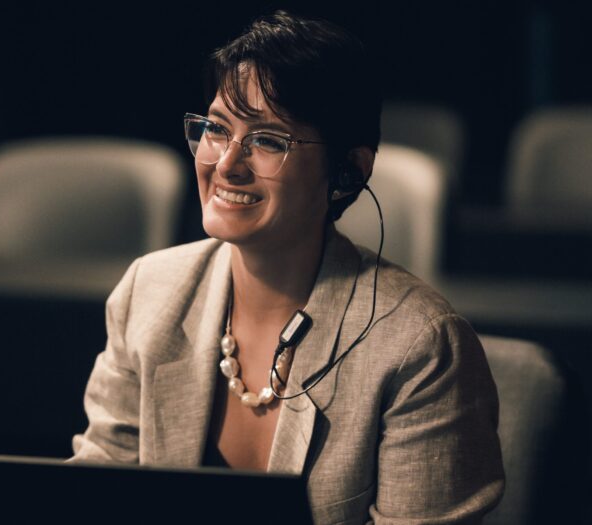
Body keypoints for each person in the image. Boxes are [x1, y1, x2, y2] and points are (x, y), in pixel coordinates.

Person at [71, 11, 505, 524]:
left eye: (268, 140)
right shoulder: (148, 291)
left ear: (348, 172)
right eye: (217, 129)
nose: (226, 164)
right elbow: (95, 498)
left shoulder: (419, 346)